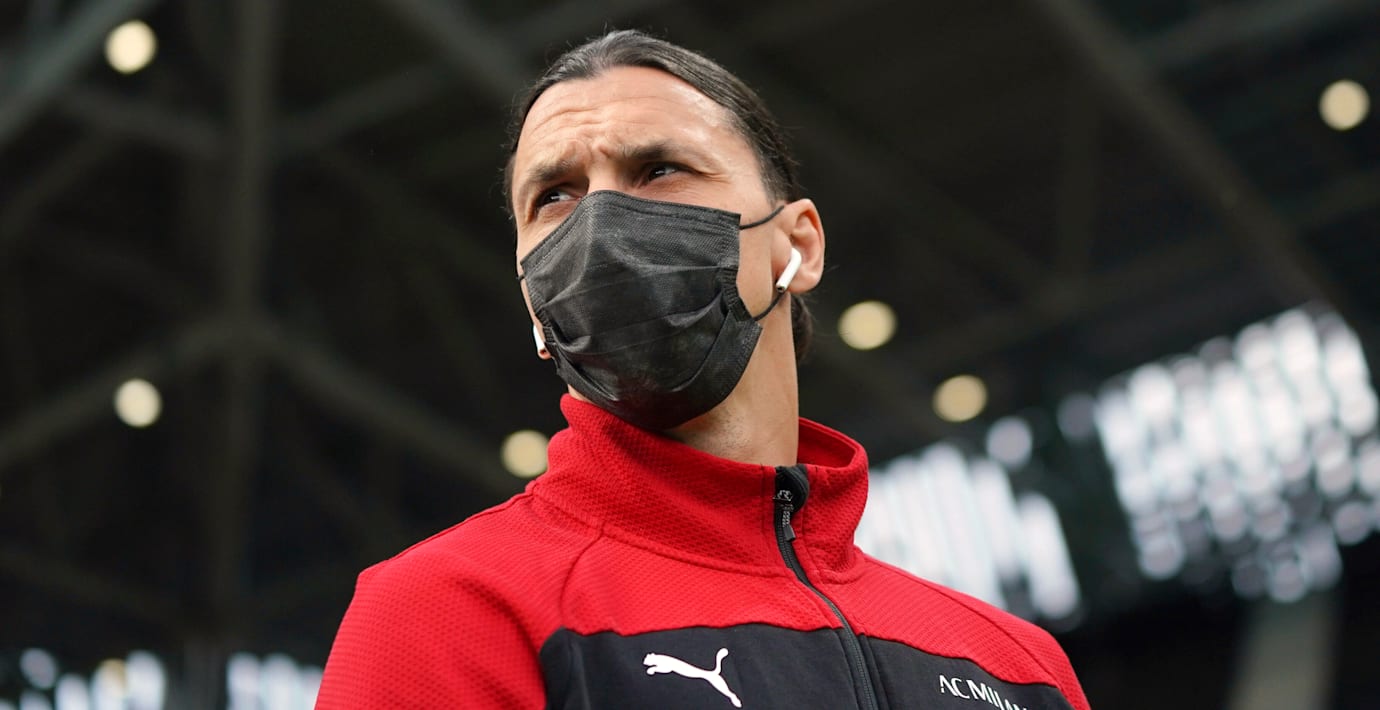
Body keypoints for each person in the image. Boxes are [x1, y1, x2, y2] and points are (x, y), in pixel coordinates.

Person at [316, 29, 1090, 710]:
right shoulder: (449, 609)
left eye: (659, 169)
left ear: (798, 245)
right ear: (529, 295)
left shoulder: (1016, 668)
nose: (601, 226)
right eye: (553, 196)